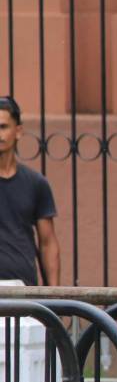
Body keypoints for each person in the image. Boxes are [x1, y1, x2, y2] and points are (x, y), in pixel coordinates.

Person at [0, 95, 60, 286]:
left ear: (18, 131)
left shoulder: (35, 183)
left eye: (3, 127)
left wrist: (55, 299)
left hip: (23, 292)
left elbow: (48, 243)